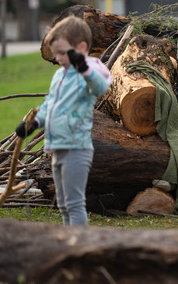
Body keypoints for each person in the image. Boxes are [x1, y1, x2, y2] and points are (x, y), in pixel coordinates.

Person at [14, 15, 112, 226]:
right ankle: (70, 244)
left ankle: (79, 249)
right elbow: (49, 104)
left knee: (75, 203)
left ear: (81, 47)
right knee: (64, 204)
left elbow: (102, 88)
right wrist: (33, 124)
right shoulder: (59, 75)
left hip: (76, 148)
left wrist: (83, 68)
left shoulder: (91, 70)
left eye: (61, 53)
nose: (57, 58)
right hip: (58, 147)